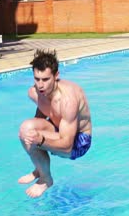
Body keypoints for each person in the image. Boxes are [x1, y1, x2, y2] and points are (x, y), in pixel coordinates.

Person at [18, 49, 92, 198]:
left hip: (78, 141)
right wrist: (35, 138)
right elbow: (43, 113)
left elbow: (66, 146)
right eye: (37, 79)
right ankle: (40, 169)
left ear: (56, 76)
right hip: (58, 128)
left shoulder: (68, 101)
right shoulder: (34, 92)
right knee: (26, 129)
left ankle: (46, 179)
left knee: (33, 138)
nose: (40, 85)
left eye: (45, 79)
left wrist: (41, 140)